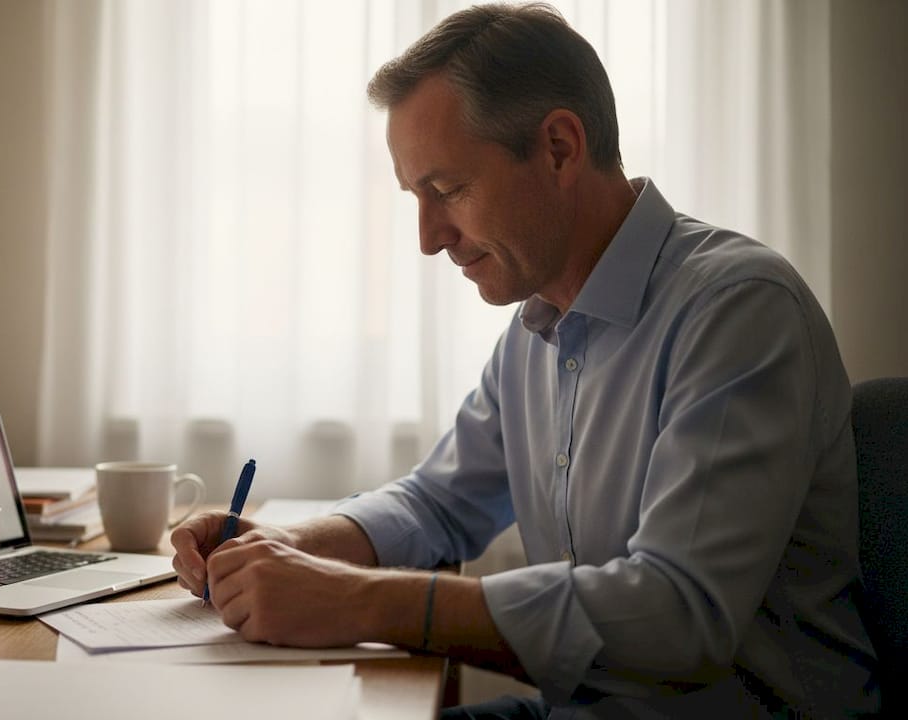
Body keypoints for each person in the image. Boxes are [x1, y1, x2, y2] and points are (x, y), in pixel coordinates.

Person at [169, 3, 879, 717]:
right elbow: (438, 503)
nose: (428, 238)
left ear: (560, 149)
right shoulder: (536, 330)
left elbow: (677, 616)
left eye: (447, 190)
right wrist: (289, 545)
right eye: (417, 197)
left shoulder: (737, 310)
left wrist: (355, 601)